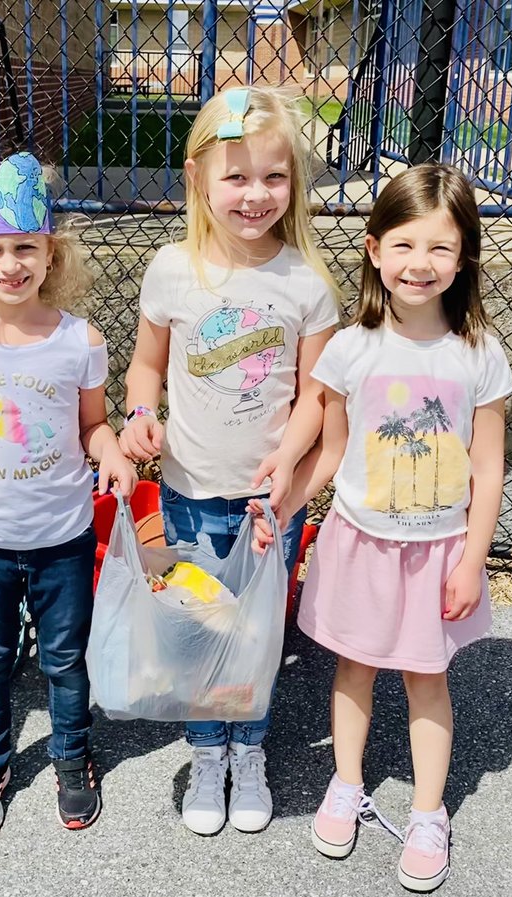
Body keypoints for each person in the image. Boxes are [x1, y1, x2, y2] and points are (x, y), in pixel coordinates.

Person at [254, 163, 512, 890]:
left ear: (463, 258)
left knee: (428, 678)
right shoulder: (350, 349)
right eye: (403, 245)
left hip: (438, 552)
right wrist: (283, 499)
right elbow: (331, 451)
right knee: (355, 668)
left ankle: (430, 811)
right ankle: (346, 783)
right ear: (373, 250)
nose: (420, 264)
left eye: (440, 248)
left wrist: (472, 558)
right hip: (360, 543)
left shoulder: (479, 354)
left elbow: (487, 470)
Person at [120, 86, 340, 836]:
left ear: (294, 183)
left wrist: (289, 460)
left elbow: (315, 395)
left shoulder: (307, 285)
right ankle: (205, 748)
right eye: (236, 177)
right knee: (200, 624)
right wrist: (141, 415)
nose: (255, 195)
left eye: (273, 178)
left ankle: (249, 747)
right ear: (197, 179)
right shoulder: (171, 270)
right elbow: (145, 368)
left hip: (264, 502)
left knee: (254, 633)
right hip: (184, 490)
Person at [0, 151, 137, 839]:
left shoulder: (80, 341)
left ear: (50, 253)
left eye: (24, 248)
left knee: (65, 659)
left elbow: (94, 426)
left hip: (61, 541)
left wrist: (115, 457)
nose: (8, 264)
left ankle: (72, 757)